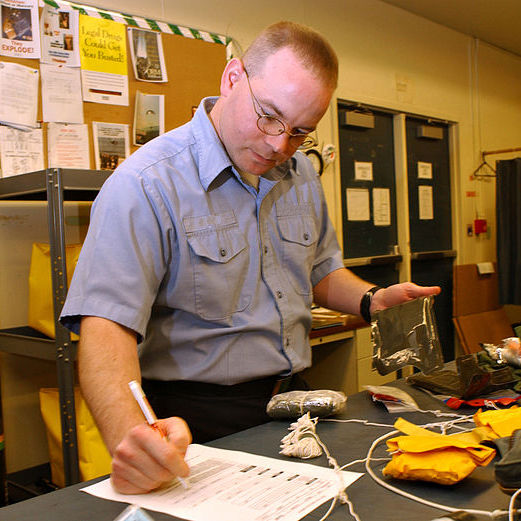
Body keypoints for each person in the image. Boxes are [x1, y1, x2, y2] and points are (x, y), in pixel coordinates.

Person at [60, 21, 440, 495]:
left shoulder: (299, 174)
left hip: (296, 406)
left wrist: (372, 300)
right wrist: (134, 441)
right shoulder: (147, 183)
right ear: (233, 78)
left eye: (300, 131)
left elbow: (320, 271)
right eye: (269, 117)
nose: (279, 144)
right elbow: (105, 328)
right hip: (198, 421)